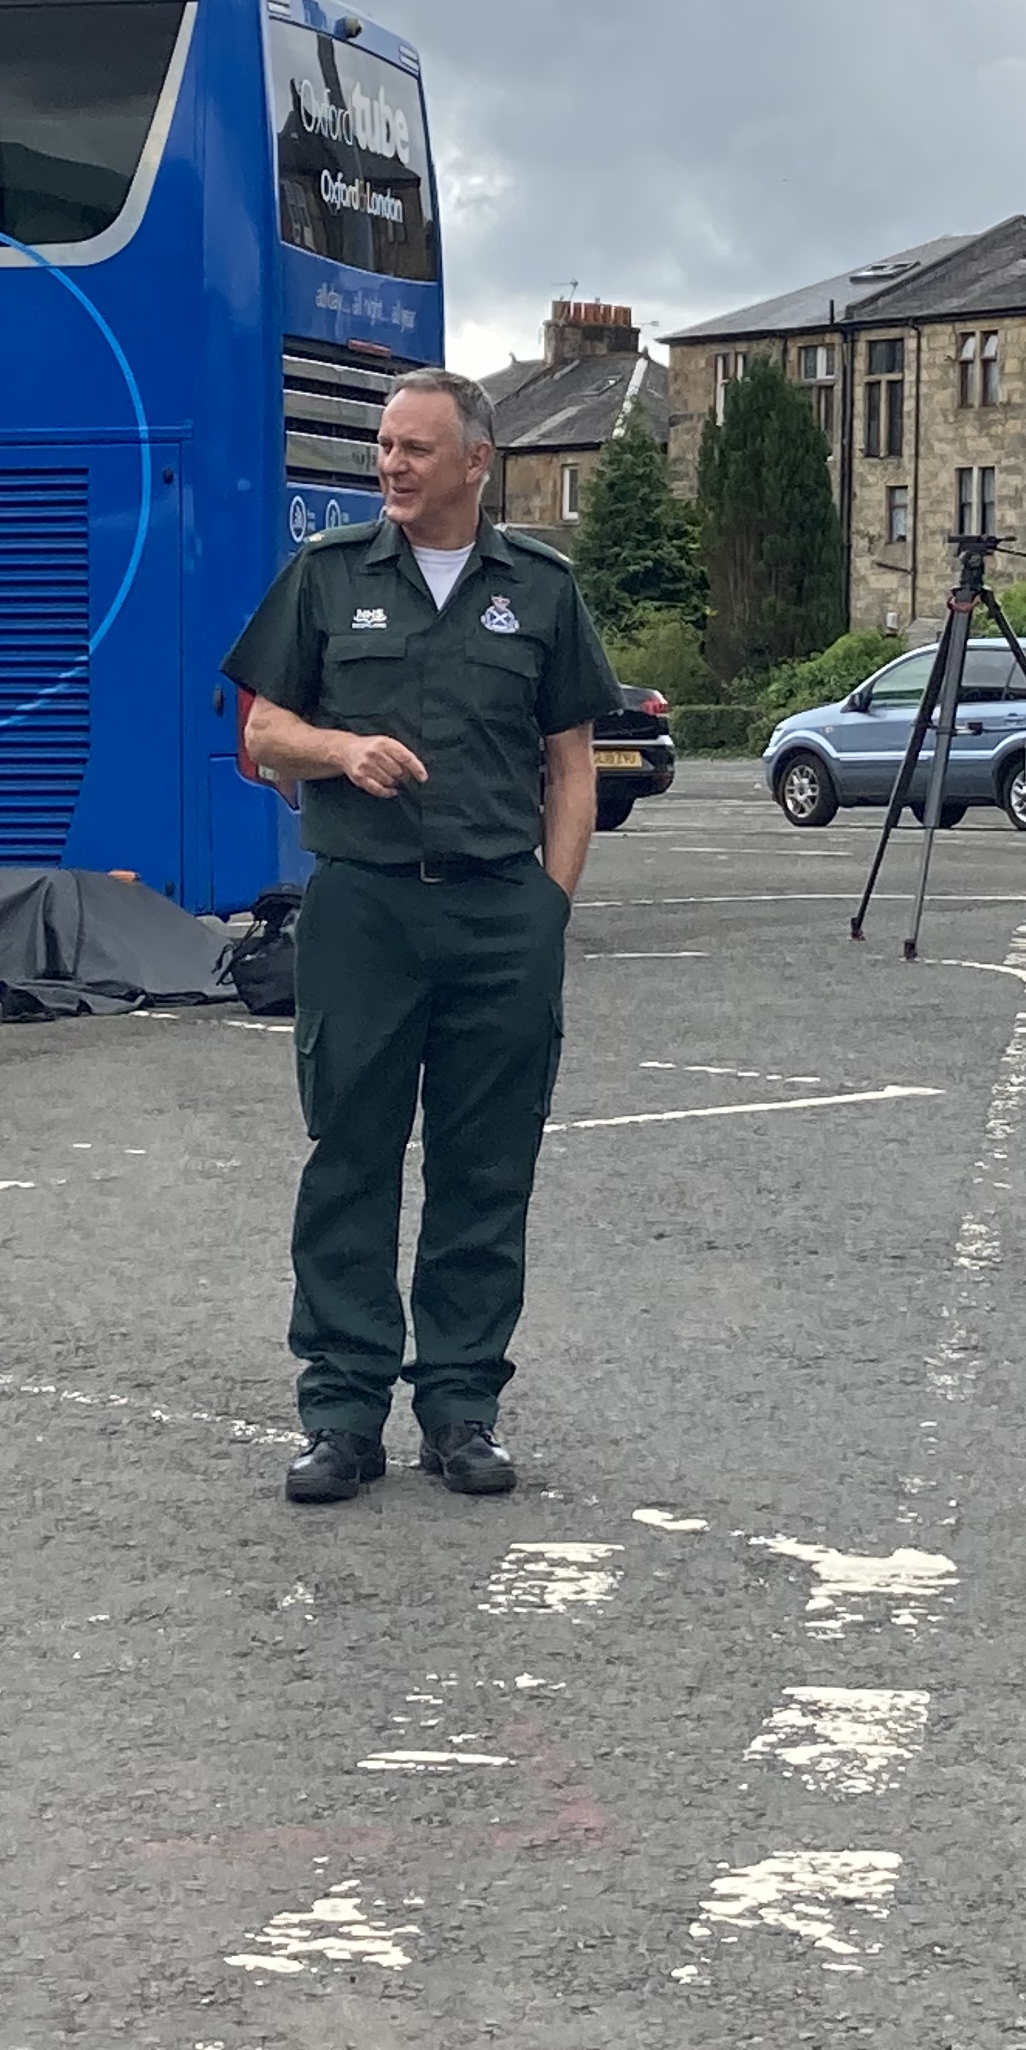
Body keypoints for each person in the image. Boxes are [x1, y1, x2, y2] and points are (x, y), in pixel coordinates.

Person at [222, 367, 613, 1503]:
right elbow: (260, 733)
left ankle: (461, 1406)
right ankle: (342, 1414)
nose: (390, 465)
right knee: (350, 1156)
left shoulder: (539, 588)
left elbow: (573, 763)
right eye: (385, 446)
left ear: (477, 462)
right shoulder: (328, 575)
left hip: (501, 912)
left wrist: (552, 902)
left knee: (486, 1167)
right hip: (365, 907)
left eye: (415, 449)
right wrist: (341, 751)